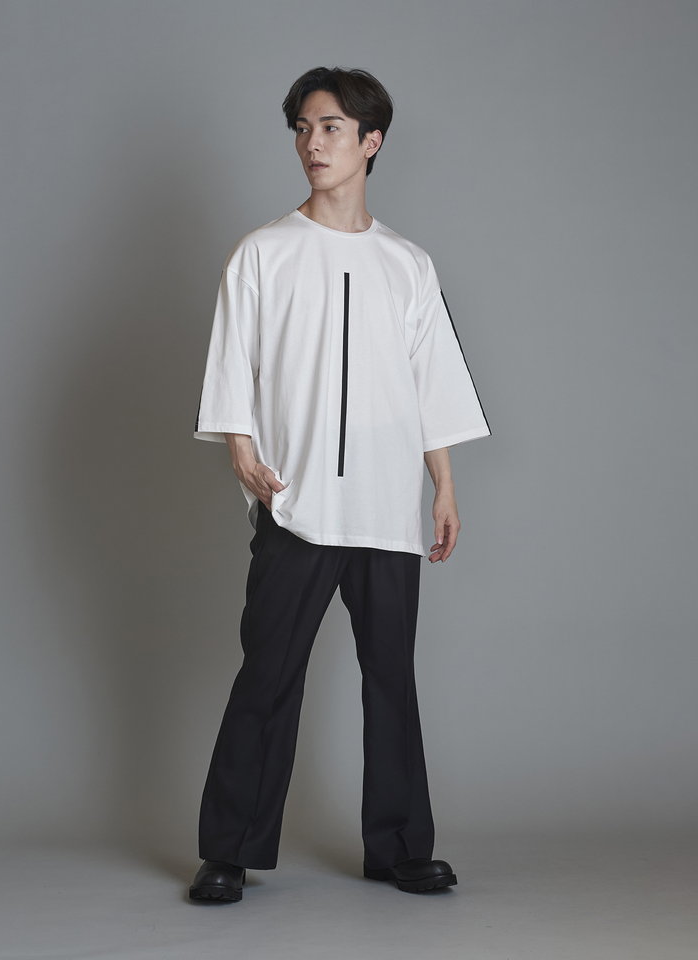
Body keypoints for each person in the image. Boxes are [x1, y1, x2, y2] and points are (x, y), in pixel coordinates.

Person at [189, 66, 491, 903]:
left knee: (391, 680)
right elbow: (231, 363)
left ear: (370, 142)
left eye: (329, 128)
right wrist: (241, 451)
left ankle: (399, 847)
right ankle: (228, 850)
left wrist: (443, 486)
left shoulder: (408, 264)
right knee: (268, 676)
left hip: (388, 509)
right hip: (298, 503)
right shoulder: (263, 253)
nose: (312, 144)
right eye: (302, 129)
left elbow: (433, 382)